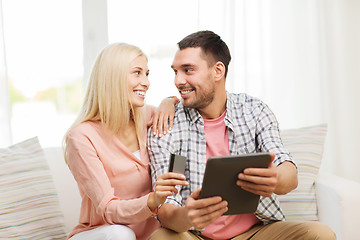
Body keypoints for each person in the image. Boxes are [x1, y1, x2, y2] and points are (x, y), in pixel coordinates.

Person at [148, 30, 336, 240]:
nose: (178, 80)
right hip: (194, 235)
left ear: (218, 71)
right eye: (175, 71)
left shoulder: (254, 110)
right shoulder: (168, 125)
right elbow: (165, 208)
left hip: (255, 233)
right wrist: (187, 215)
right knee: (160, 239)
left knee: (320, 234)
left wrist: (276, 179)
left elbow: (289, 175)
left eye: (188, 70)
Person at [63, 43, 188, 240]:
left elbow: (186, 113)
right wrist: (153, 200)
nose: (146, 82)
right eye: (137, 73)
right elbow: (109, 209)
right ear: (112, 78)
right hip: (104, 233)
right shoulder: (81, 137)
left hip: (148, 235)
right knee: (121, 234)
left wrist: (169, 101)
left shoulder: (149, 117)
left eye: (147, 74)